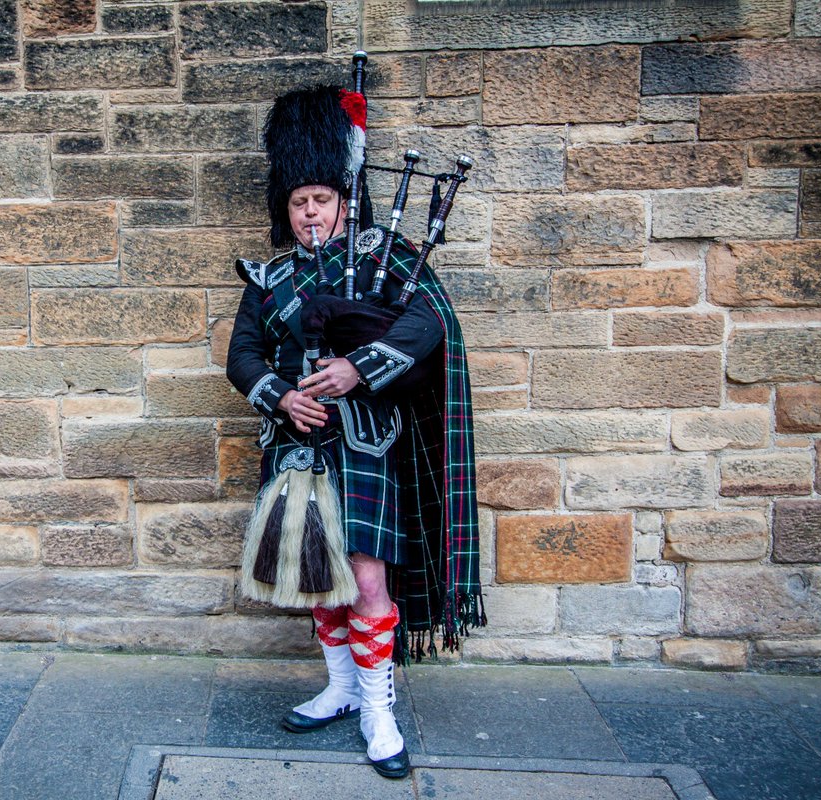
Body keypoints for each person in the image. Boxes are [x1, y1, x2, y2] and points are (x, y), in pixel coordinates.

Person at [225, 86, 484, 780]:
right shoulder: (270, 276)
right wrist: (279, 396)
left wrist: (355, 369)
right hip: (294, 448)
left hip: (364, 441)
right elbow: (241, 355)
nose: (310, 211)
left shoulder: (382, 254)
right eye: (298, 202)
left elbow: (428, 324)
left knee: (367, 580)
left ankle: (379, 711)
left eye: (321, 198)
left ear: (344, 198)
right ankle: (340, 688)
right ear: (286, 208)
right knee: (319, 577)